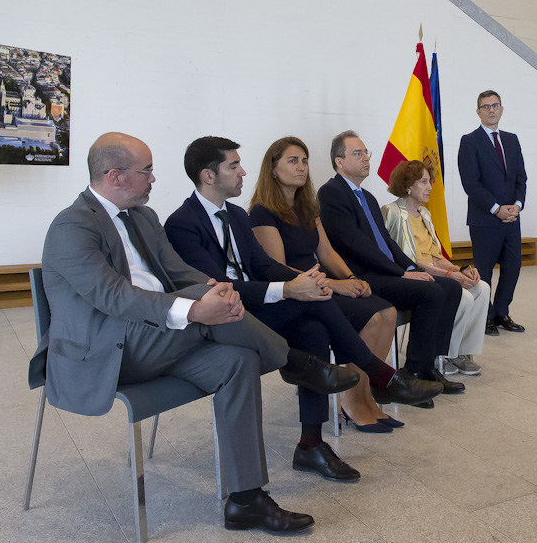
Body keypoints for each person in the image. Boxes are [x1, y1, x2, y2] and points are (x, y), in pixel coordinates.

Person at [28, 133, 357, 534]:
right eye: (146, 171)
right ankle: (297, 363)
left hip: (162, 338)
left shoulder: (144, 217)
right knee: (208, 311)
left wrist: (218, 291)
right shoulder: (72, 226)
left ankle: (246, 500)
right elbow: (114, 297)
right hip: (109, 350)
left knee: (239, 360)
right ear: (115, 176)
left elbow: (179, 272)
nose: (154, 178)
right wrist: (197, 309)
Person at [164, 137, 442, 476]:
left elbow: (263, 265)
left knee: (314, 326)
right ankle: (380, 375)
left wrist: (305, 282)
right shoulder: (182, 222)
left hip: (257, 304)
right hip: (225, 316)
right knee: (314, 303)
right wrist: (291, 288)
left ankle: (311, 444)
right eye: (233, 166)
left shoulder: (235, 215)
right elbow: (218, 288)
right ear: (208, 175)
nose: (243, 172)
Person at [248, 137, 411, 433]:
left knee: (386, 312)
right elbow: (277, 268)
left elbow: (326, 252)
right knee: (372, 318)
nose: (302, 167)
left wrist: (351, 279)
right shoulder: (262, 211)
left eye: (305, 161)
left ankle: (368, 398)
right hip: (297, 291)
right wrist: (335, 285)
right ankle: (353, 402)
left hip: (321, 282)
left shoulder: (307, 206)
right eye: (293, 161)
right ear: (272, 169)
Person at [318, 130, 464, 404]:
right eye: (357, 153)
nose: (366, 158)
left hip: (387, 271)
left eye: (366, 152)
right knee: (431, 292)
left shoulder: (368, 197)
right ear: (339, 161)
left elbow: (387, 242)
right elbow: (353, 244)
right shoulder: (331, 193)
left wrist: (411, 269)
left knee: (450, 287)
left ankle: (428, 366)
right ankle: (414, 371)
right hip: (364, 276)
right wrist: (401, 274)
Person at [381, 159, 488, 377]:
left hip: (434, 271)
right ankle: (444, 354)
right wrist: (449, 276)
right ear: (408, 185)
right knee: (463, 296)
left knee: (482, 288)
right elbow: (406, 260)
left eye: (429, 181)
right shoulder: (391, 212)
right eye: (424, 182)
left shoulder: (425, 214)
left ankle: (462, 352)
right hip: (410, 275)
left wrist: (460, 270)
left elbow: (436, 257)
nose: (430, 187)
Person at [458, 90, 528, 335]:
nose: (491, 110)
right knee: (484, 271)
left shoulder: (512, 140)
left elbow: (521, 177)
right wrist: (496, 209)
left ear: (502, 109)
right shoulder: (470, 141)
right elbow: (471, 183)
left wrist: (517, 205)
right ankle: (485, 316)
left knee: (513, 267)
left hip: (512, 219)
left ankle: (501, 313)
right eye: (486, 106)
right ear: (478, 112)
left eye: (495, 105)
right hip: (485, 219)